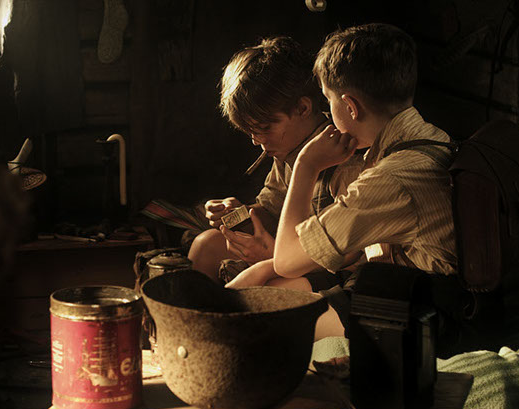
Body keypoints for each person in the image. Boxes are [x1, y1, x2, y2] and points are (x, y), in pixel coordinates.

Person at [226, 23, 458, 340]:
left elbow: (287, 260)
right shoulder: (430, 138)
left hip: (428, 314)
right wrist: (266, 268)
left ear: (350, 106)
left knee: (249, 316)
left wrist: (306, 165)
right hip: (411, 290)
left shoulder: (390, 178)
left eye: (328, 99)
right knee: (269, 289)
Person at [188, 36, 364, 283]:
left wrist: (270, 257)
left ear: (303, 108)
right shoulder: (287, 147)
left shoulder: (345, 161)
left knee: (265, 282)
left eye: (264, 128)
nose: (256, 140)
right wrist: (240, 216)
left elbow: (346, 255)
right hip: (286, 253)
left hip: (333, 272)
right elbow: (272, 208)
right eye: (250, 131)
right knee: (206, 245)